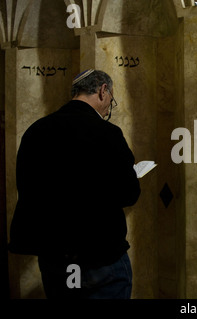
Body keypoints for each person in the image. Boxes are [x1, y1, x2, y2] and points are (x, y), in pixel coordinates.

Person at [8, 69, 141, 299]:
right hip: (101, 256)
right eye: (111, 99)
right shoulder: (107, 133)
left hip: (55, 258)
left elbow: (28, 190)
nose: (109, 105)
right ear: (103, 91)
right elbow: (128, 194)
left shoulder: (36, 132)